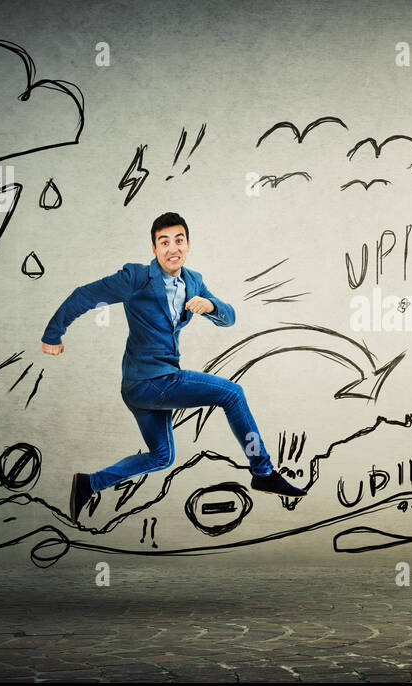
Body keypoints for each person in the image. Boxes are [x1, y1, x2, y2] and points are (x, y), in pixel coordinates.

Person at [40, 212, 306, 522]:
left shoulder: (193, 281)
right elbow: (84, 296)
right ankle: (263, 472)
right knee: (232, 394)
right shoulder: (136, 278)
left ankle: (89, 483)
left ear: (188, 244)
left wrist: (211, 306)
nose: (172, 248)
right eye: (164, 242)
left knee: (162, 456)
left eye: (178, 240)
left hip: (146, 387)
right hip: (150, 381)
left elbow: (230, 318)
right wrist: (53, 334)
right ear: (154, 249)